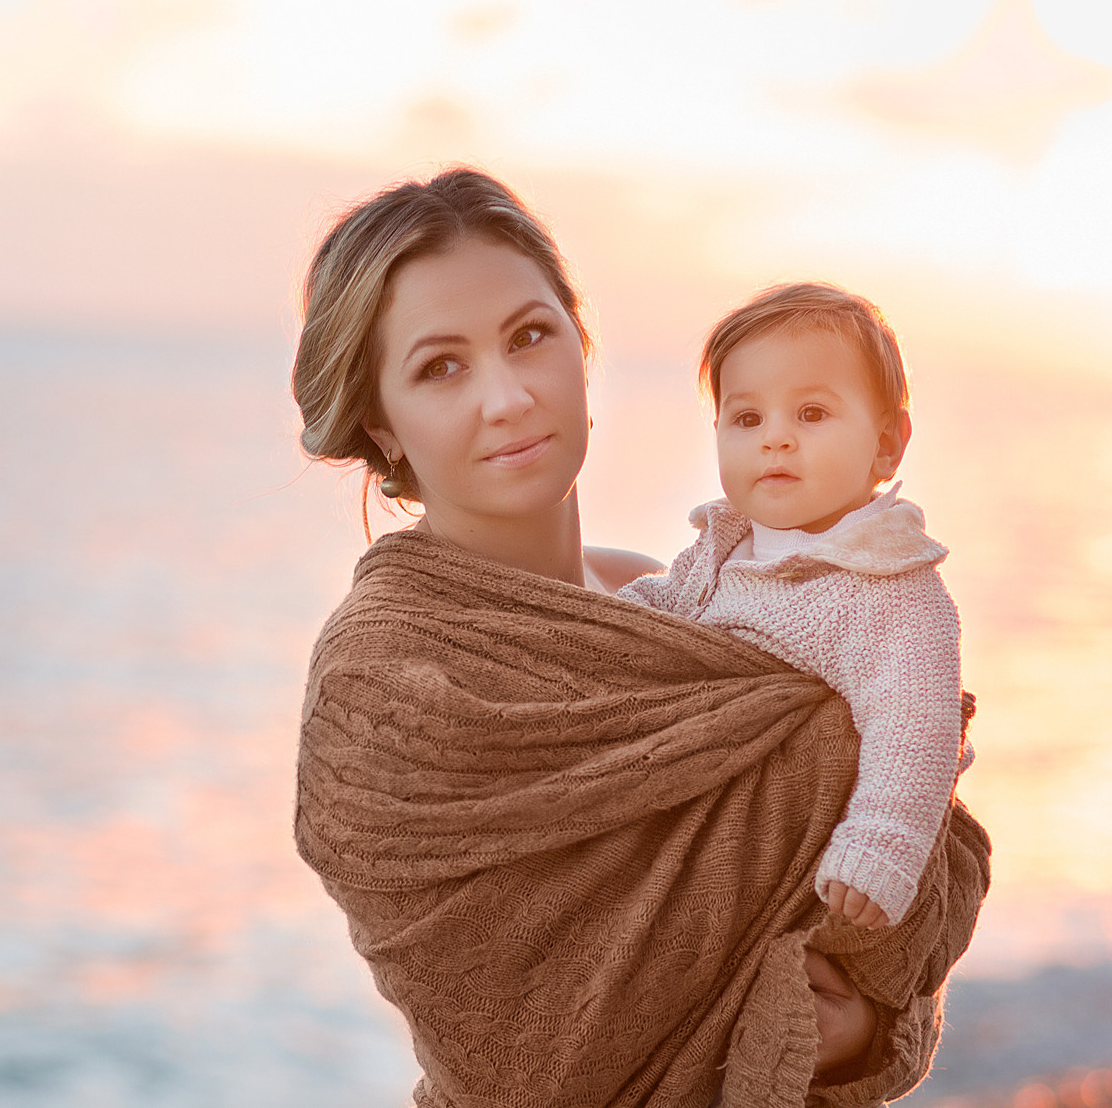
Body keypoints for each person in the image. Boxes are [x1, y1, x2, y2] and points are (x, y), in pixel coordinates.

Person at [290, 169, 989, 1107]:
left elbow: (927, 872)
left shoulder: (679, 600)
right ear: (382, 422)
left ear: (581, 348)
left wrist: (857, 1029)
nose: (509, 397)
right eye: (440, 367)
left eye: (529, 336)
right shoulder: (383, 682)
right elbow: (519, 1058)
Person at [619, 284, 970, 936]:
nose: (775, 439)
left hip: (805, 848)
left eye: (811, 413)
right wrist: (589, 625)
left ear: (887, 443)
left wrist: (880, 845)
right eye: (747, 419)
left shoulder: (887, 582)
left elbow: (917, 724)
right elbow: (656, 614)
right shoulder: (722, 544)